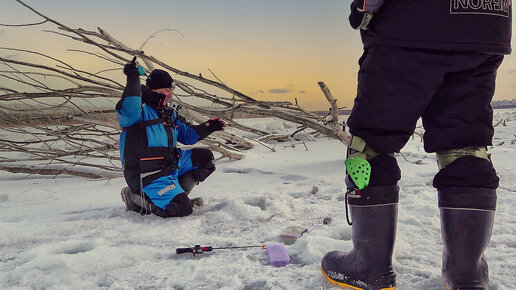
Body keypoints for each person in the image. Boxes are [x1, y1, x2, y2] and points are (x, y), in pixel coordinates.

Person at [321, 1, 511, 289]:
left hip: (410, 26)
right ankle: (466, 276)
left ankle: (370, 267)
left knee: (369, 146)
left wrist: (362, 9)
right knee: (466, 146)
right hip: (485, 24)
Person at [116, 59, 225, 218]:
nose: (171, 94)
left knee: (205, 159)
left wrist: (210, 126)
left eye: (171, 89)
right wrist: (132, 77)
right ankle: (137, 199)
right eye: (167, 89)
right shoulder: (137, 111)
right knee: (182, 209)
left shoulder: (168, 113)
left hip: (170, 166)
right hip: (147, 174)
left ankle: (177, 194)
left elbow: (188, 136)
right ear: (153, 89)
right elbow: (129, 106)